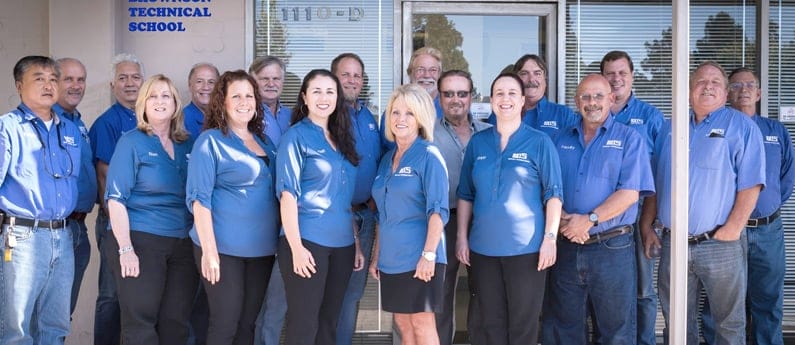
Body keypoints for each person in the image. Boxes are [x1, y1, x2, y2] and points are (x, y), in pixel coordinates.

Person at [642, 61, 765, 345]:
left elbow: (752, 183)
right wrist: (647, 225)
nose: (707, 86)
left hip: (719, 243)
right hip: (674, 244)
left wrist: (733, 229)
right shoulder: (669, 127)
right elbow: (658, 181)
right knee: (677, 324)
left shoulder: (742, 127)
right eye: (699, 81)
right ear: (687, 91)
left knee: (728, 324)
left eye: (715, 82)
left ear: (724, 93)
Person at [544, 74, 654, 344]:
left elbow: (629, 193)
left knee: (616, 329)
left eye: (598, 96)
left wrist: (589, 220)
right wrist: (563, 223)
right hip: (566, 245)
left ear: (612, 99)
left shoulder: (630, 139)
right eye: (585, 96)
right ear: (576, 101)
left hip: (612, 247)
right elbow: (547, 187)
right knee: (565, 327)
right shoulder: (558, 140)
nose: (591, 102)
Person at [457, 72, 562, 344]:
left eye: (512, 93)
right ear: (491, 101)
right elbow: (466, 194)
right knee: (489, 325)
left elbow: (554, 195)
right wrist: (461, 237)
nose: (505, 99)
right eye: (499, 93)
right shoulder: (478, 143)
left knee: (522, 328)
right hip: (483, 251)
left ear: (523, 100)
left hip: (526, 251)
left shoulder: (540, 142)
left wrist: (550, 238)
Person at [699, 67, 793, 345]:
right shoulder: (717, 129)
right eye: (737, 85)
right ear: (728, 93)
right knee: (720, 301)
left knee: (768, 299)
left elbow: (786, 178)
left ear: (760, 92)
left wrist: (767, 206)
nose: (744, 90)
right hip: (726, 230)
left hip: (768, 231)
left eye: (750, 85)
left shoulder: (776, 131)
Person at [186, 70, 280, 344]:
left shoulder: (266, 143)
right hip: (223, 249)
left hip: (262, 250)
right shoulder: (211, 141)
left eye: (249, 96)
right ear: (222, 102)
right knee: (225, 323)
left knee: (247, 324)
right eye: (236, 96)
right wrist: (210, 252)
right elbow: (199, 200)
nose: (244, 102)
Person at [103, 74, 197, 344]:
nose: (159, 101)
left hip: (182, 244)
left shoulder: (187, 144)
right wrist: (125, 249)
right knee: (140, 323)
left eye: (166, 95)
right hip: (140, 240)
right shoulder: (131, 142)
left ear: (176, 103)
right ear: (142, 104)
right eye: (153, 96)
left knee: (175, 323)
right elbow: (116, 199)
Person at [0, 55, 82, 344]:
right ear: (20, 85)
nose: (48, 85)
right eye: (39, 78)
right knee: (17, 327)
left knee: (56, 324)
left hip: (62, 234)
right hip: (22, 236)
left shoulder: (70, 130)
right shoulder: (7, 128)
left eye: (52, 79)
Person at [276, 69, 361, 345]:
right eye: (316, 91)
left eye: (330, 91)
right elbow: (287, 195)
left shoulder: (342, 137)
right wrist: (296, 248)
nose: (323, 98)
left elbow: (343, 198)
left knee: (329, 323)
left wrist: (357, 243)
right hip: (308, 241)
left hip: (343, 244)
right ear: (304, 97)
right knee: (304, 323)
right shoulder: (295, 136)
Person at [370, 83, 449, 345]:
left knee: (422, 322)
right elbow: (383, 214)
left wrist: (429, 255)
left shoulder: (429, 155)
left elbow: (438, 211)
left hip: (420, 256)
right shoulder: (387, 159)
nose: (400, 119)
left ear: (421, 118)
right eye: (395, 112)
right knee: (403, 323)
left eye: (409, 113)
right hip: (392, 257)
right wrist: (377, 256)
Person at [599, 50, 665, 345]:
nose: (616, 79)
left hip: (641, 212)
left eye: (622, 73)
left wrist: (649, 224)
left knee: (642, 289)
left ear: (632, 76)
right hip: (602, 213)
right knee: (606, 288)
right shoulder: (593, 112)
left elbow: (661, 174)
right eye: (610, 73)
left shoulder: (651, 117)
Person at [431, 70, 491, 345]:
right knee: (440, 295)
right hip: (441, 223)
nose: (456, 99)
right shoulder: (426, 133)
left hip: (484, 223)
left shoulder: (491, 133)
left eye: (462, 93)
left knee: (484, 293)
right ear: (439, 97)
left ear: (472, 96)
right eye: (449, 94)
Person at [88, 52, 144, 345]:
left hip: (147, 223)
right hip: (116, 223)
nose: (129, 83)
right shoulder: (107, 123)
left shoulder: (151, 118)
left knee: (140, 296)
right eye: (122, 78)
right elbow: (104, 177)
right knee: (111, 295)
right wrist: (116, 225)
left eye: (135, 77)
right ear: (112, 84)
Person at [331, 53, 382, 345]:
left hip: (366, 216)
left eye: (357, 76)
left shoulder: (368, 116)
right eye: (345, 75)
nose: (352, 81)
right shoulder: (328, 116)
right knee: (332, 293)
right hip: (339, 218)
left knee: (352, 295)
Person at [251, 55, 293, 345]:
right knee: (255, 300)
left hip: (289, 216)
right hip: (256, 217)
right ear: (254, 81)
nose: (271, 83)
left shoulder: (293, 117)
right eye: (264, 78)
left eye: (276, 78)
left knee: (278, 300)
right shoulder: (246, 116)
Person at [53, 57, 98, 316]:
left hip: (78, 227)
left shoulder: (78, 123)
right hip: (57, 229)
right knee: (46, 313)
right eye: (68, 79)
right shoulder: (47, 122)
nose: (76, 85)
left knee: (62, 313)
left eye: (80, 79)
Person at [486, 54, 577, 137]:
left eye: (537, 73)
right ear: (516, 81)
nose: (531, 79)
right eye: (524, 74)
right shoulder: (500, 113)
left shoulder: (563, 114)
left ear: (545, 80)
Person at [381, 47, 444, 152]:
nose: (427, 75)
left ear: (439, 74)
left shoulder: (448, 110)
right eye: (420, 70)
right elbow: (387, 152)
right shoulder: (393, 112)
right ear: (410, 74)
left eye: (433, 70)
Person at [183, 62, 220, 139]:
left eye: (211, 82)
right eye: (199, 81)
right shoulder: (181, 121)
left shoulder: (225, 118)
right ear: (190, 85)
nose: (206, 87)